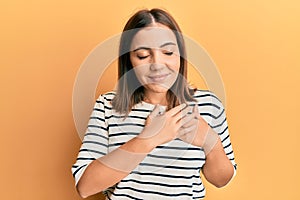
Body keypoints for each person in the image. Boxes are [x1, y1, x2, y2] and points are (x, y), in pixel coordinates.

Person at [72, 8, 237, 199]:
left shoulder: (208, 106)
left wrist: (211, 142)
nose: (157, 64)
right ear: (129, 60)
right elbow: (85, 186)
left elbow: (221, 180)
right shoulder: (106, 107)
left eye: (168, 52)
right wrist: (149, 139)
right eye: (142, 55)